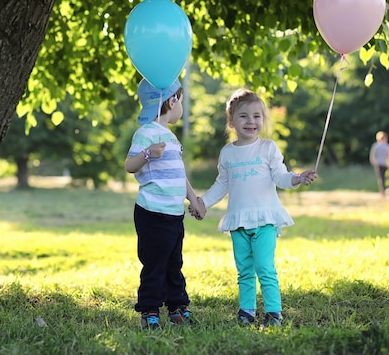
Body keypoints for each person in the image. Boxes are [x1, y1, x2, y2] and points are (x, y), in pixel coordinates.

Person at [189, 88, 317, 328]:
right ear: (231, 122)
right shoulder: (227, 153)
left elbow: (280, 177)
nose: (251, 121)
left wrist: (297, 178)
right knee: (245, 269)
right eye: (244, 116)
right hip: (238, 221)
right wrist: (202, 202)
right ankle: (246, 310)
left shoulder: (268, 148)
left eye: (257, 116)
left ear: (263, 119)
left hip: (265, 219)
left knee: (264, 266)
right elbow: (222, 184)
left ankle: (273, 312)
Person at [125, 78, 204, 330]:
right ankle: (149, 310)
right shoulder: (145, 133)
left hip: (173, 213)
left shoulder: (170, 137)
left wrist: (194, 200)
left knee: (174, 262)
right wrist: (148, 153)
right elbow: (129, 165)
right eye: (181, 100)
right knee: (155, 263)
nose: (181, 106)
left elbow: (179, 174)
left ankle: (177, 307)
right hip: (152, 212)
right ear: (172, 101)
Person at [369, 131, 389, 196]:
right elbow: (373, 155)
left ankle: (383, 190)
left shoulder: (378, 146)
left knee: (383, 177)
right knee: (382, 177)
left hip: (384, 163)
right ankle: (383, 190)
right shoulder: (380, 146)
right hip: (381, 163)